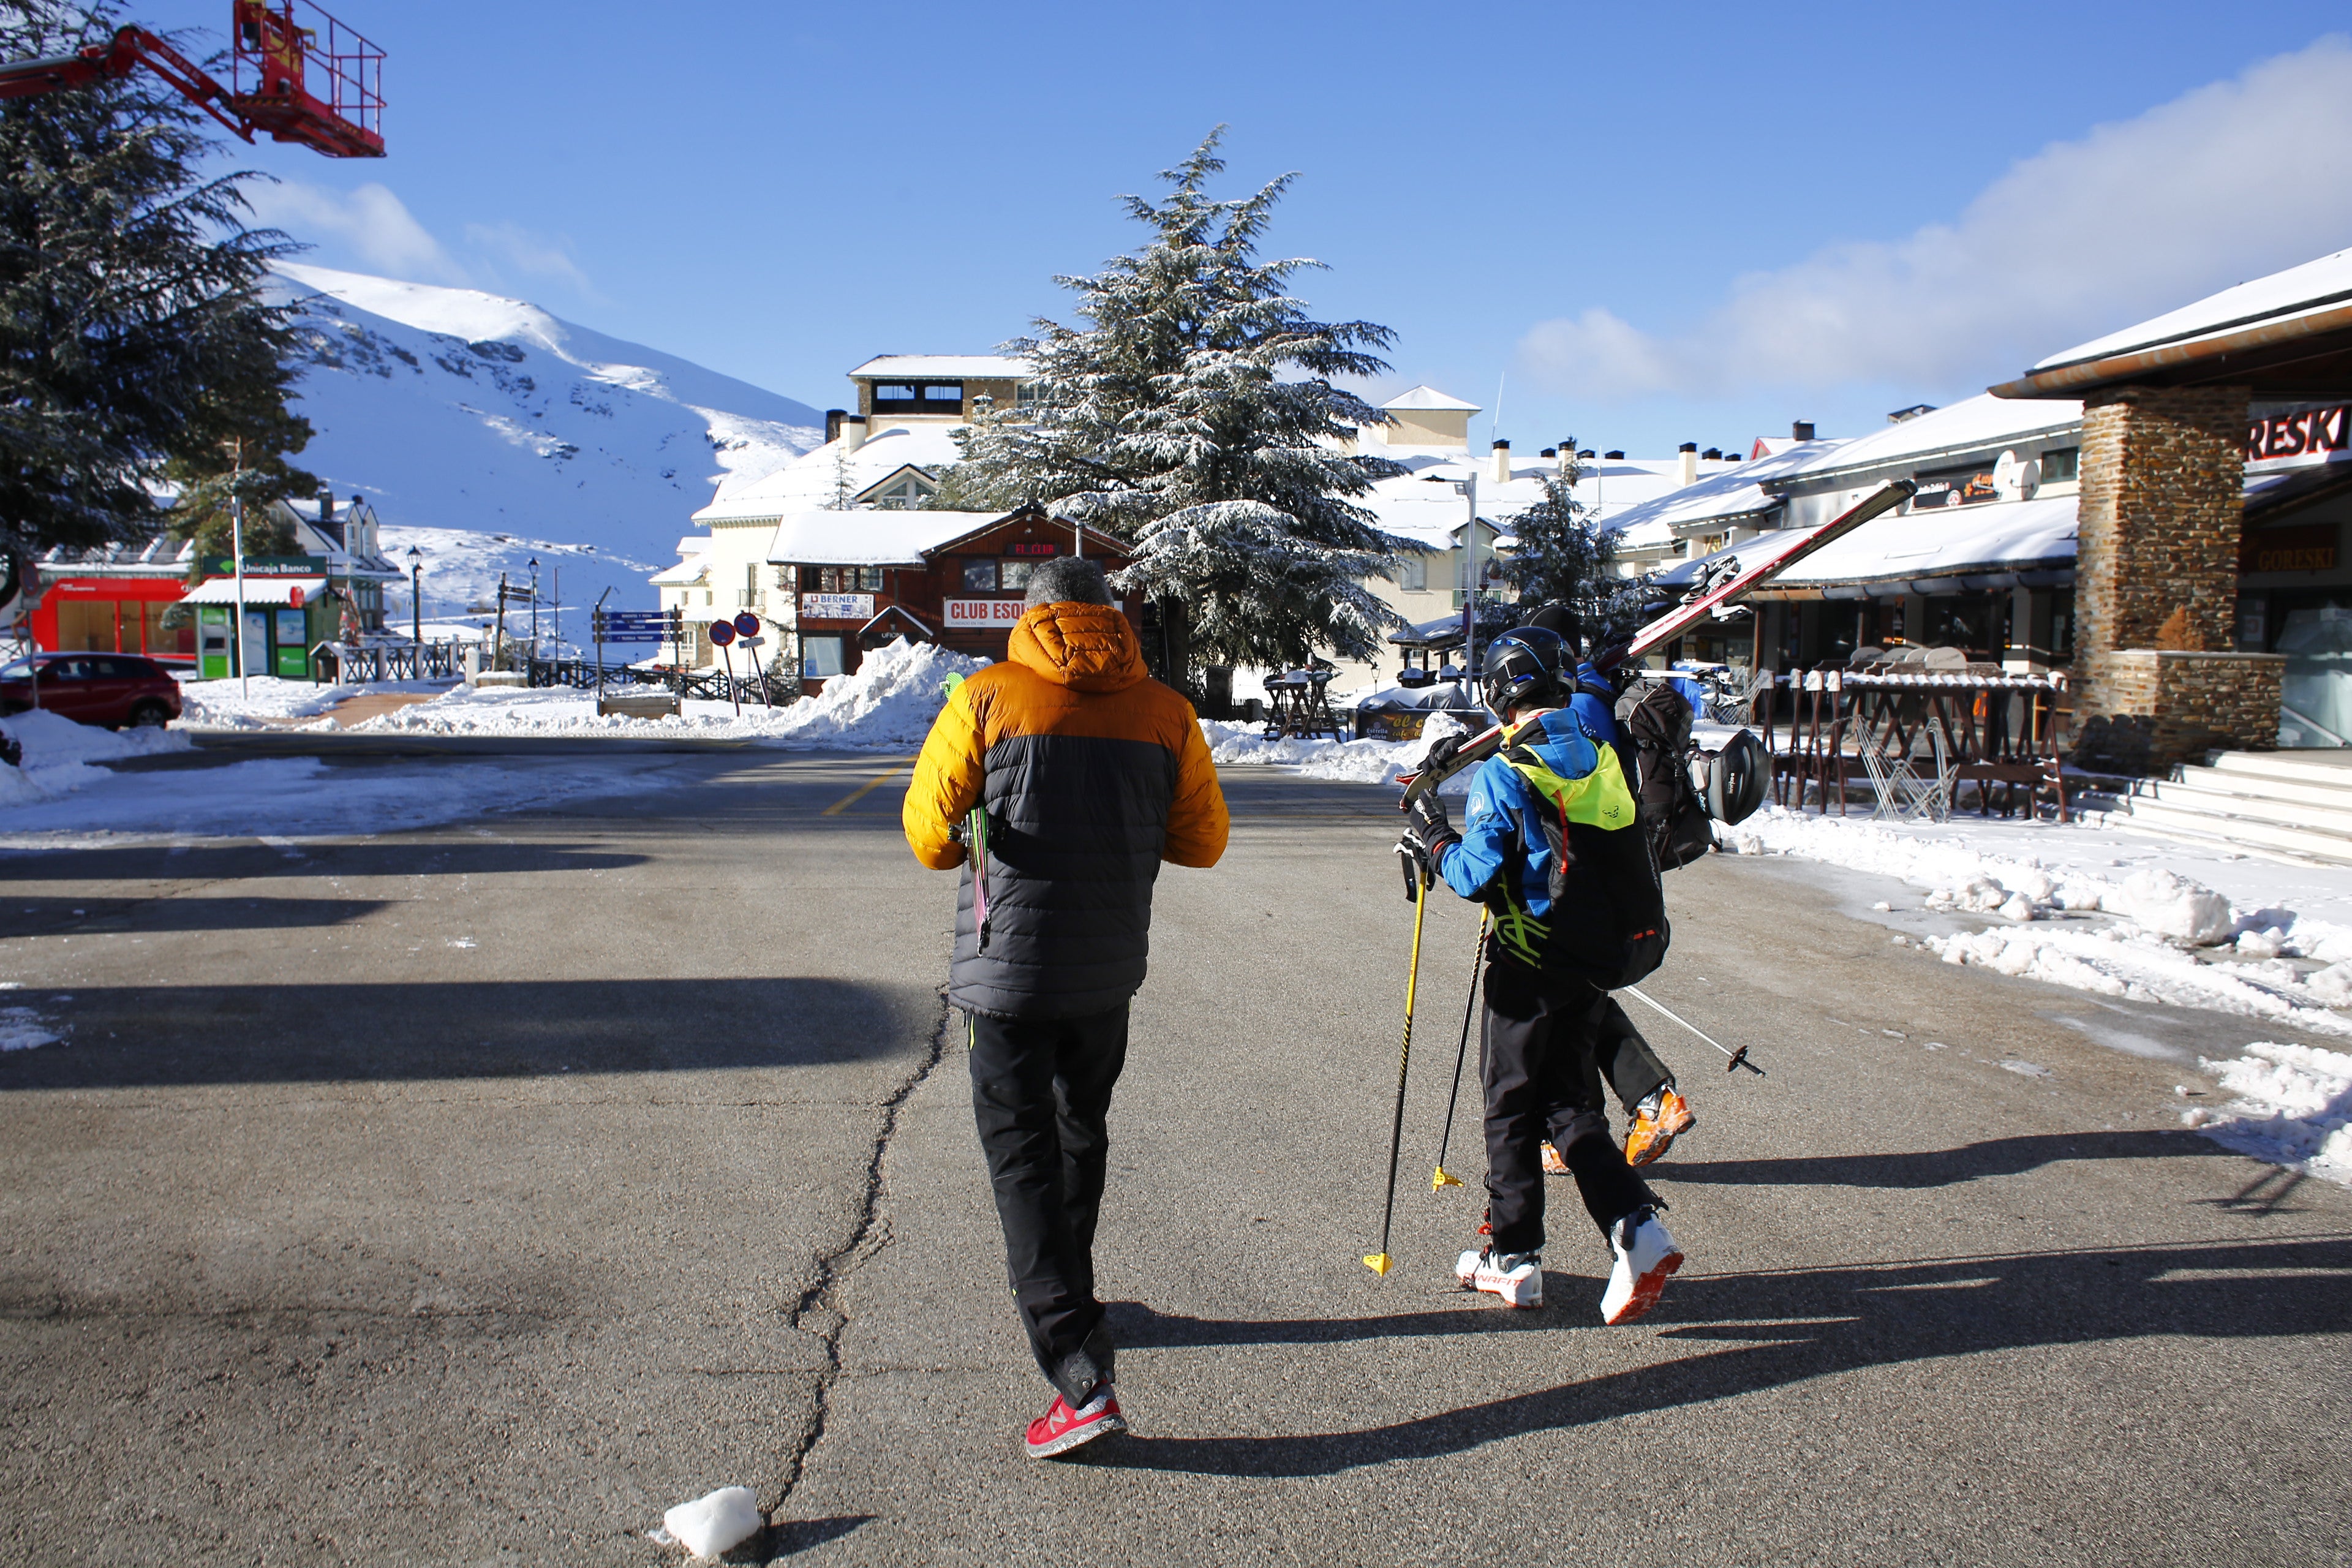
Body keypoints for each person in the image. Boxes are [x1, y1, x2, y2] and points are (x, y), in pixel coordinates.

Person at [902, 557, 1229, 1459]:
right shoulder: (1166, 711)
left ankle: (1078, 1371)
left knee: (1020, 1157)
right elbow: (1203, 844)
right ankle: (1072, 1292)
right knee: (1080, 1129)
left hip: (1006, 975)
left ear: (1033, 614)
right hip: (1106, 973)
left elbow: (932, 839)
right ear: (1110, 616)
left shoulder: (987, 696)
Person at [1398, 624, 1686, 1322]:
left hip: (1527, 969)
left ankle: (1515, 1257)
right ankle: (1638, 1230)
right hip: (1590, 964)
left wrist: (1434, 835)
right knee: (1568, 1106)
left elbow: (1472, 874)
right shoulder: (1597, 748)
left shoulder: (1506, 771)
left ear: (1499, 691)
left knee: (1509, 1107)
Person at [1441, 600, 1696, 1171]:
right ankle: (1642, 1100)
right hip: (1620, 872)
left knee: (1568, 1003)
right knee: (1584, 1000)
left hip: (1572, 884)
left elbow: (1541, 784)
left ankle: (1597, 1126)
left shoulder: (1580, 706)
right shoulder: (1595, 696)